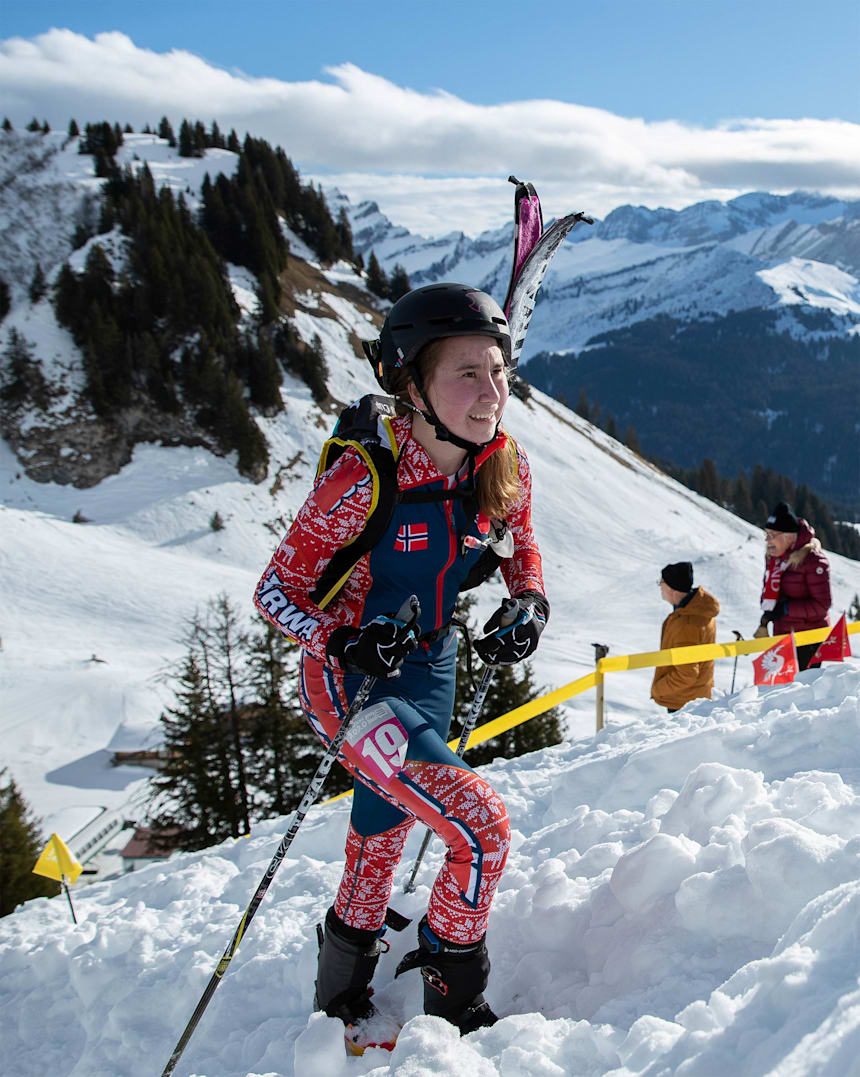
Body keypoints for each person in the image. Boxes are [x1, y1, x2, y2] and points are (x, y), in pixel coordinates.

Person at [254, 283, 549, 1044]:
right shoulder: (365, 479)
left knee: (382, 823)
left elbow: (523, 547)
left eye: (499, 372)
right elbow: (275, 591)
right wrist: (340, 640)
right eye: (467, 374)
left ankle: (342, 993)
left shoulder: (501, 461)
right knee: (478, 826)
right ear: (410, 384)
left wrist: (528, 604)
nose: (492, 394)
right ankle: (454, 1008)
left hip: (431, 667)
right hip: (351, 684)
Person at [753, 501, 831, 670]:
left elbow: (822, 605)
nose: (767, 540)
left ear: (789, 536)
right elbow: (768, 589)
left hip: (809, 638)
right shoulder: (774, 558)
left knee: (801, 690)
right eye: (767, 534)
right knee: (782, 691)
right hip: (783, 635)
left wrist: (786, 609)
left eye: (772, 535)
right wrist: (769, 612)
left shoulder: (812, 560)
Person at [651, 562, 719, 712]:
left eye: (662, 582)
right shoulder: (698, 611)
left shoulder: (686, 623)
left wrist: (658, 689)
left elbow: (686, 674)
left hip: (683, 700)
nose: (660, 587)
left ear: (672, 588)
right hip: (696, 695)